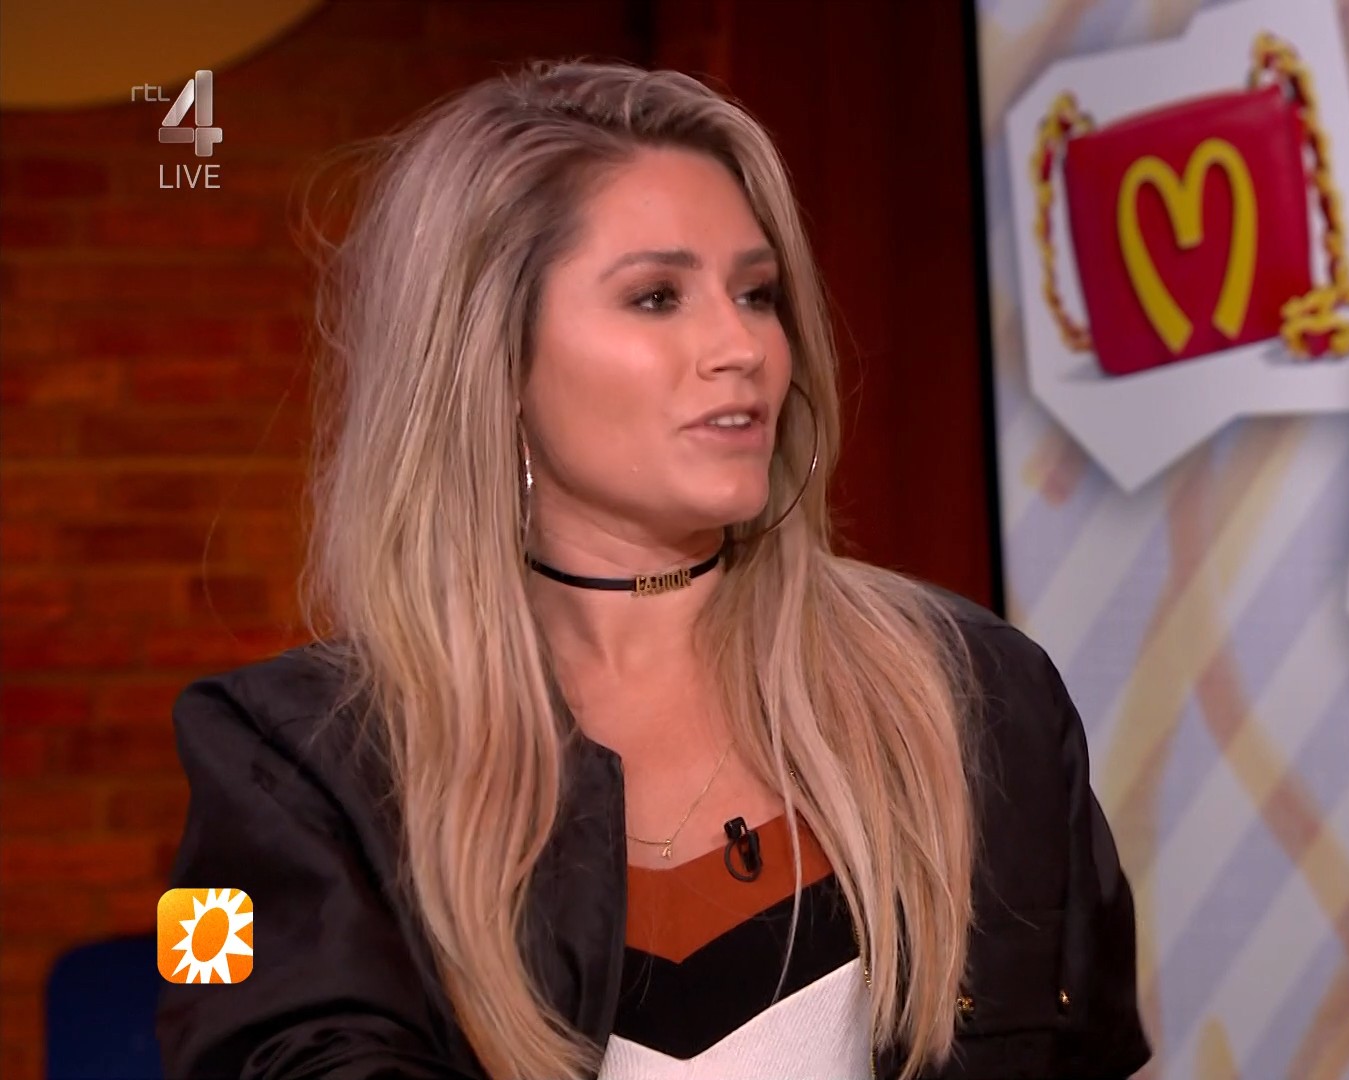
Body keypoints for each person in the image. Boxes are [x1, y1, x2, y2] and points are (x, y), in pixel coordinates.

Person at [155, 59, 1151, 1080]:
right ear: (491, 358)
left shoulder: (979, 694)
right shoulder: (278, 760)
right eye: (657, 296)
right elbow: (241, 1035)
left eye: (757, 293)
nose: (742, 346)